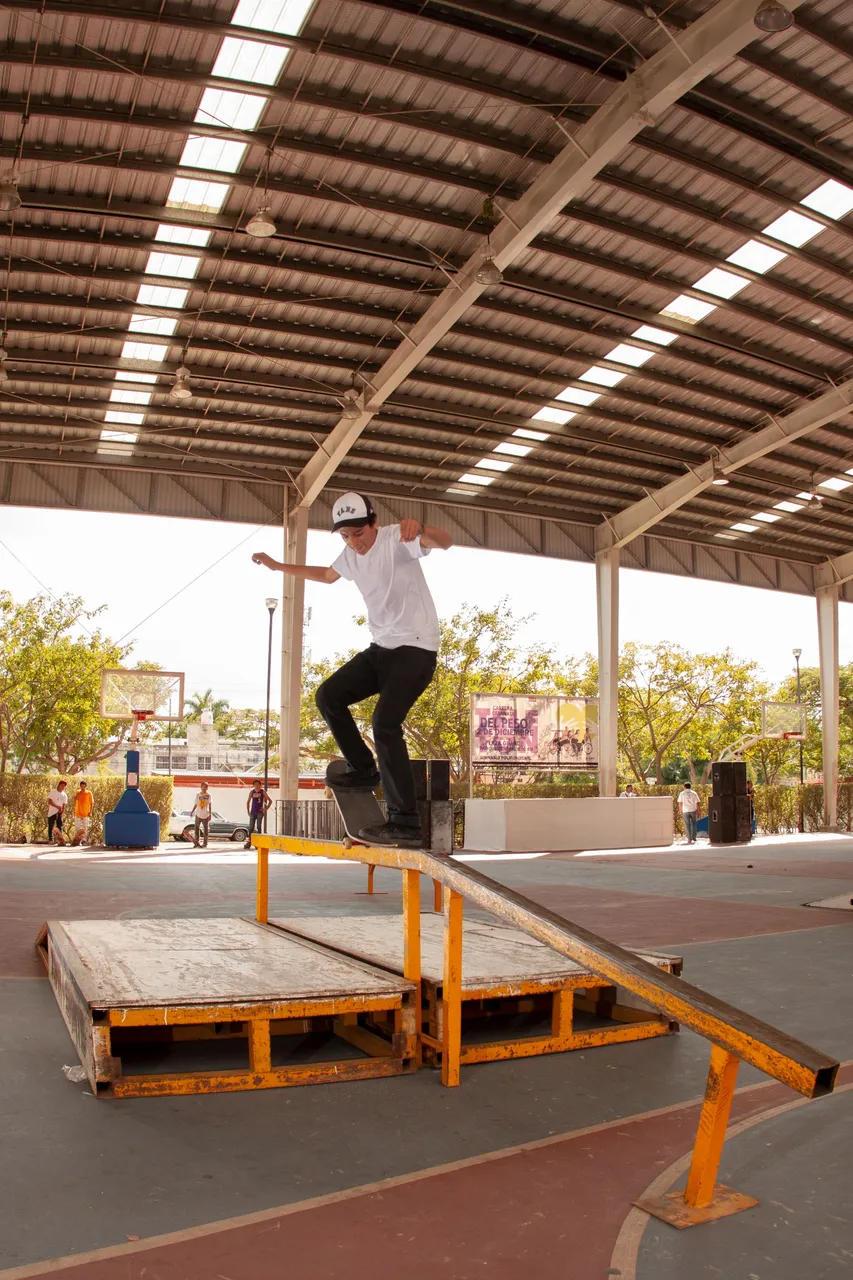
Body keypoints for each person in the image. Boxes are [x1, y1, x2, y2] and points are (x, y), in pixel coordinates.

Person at [253, 491, 452, 846]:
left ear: (374, 523)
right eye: (346, 537)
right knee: (329, 695)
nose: (354, 543)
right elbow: (327, 575)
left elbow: (446, 543)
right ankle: (363, 771)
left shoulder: (397, 539)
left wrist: (421, 527)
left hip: (416, 650)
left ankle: (405, 822)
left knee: (385, 723)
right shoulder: (350, 554)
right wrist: (279, 567)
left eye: (358, 534)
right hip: (382, 650)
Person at [244, 779, 271, 850]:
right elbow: (248, 801)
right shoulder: (252, 792)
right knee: (251, 827)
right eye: (255, 784)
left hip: (259, 812)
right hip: (253, 812)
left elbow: (270, 800)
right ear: (253, 785)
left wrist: (265, 809)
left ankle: (258, 842)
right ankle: (249, 842)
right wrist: (248, 811)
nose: (256, 785)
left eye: (258, 784)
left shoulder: (263, 792)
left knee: (259, 827)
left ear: (260, 785)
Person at [70, 780, 93, 846]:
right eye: (81, 785)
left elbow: (91, 803)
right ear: (80, 786)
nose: (83, 787)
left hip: (86, 813)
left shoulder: (89, 793)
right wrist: (80, 792)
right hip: (78, 813)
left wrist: (90, 811)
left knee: (85, 827)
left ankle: (84, 840)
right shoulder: (77, 792)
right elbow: (75, 798)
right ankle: (77, 840)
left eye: (84, 785)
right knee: (77, 827)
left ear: (86, 786)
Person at [192, 781, 213, 848]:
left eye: (205, 787)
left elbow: (210, 805)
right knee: (196, 829)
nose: (204, 788)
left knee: (206, 830)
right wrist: (192, 811)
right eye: (203, 786)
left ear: (207, 788)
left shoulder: (209, 795)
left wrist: (210, 814)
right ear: (201, 787)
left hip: (205, 815)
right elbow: (196, 804)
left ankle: (205, 843)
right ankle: (196, 843)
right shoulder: (198, 794)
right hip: (198, 814)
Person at [47, 780, 68, 844]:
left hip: (59, 812)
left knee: (60, 826)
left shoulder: (64, 795)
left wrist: (62, 811)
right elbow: (49, 801)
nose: (63, 787)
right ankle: (50, 839)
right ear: (59, 785)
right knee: (51, 825)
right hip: (52, 811)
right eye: (62, 785)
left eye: (64, 786)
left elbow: (64, 804)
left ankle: (59, 839)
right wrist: (56, 806)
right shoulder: (53, 792)